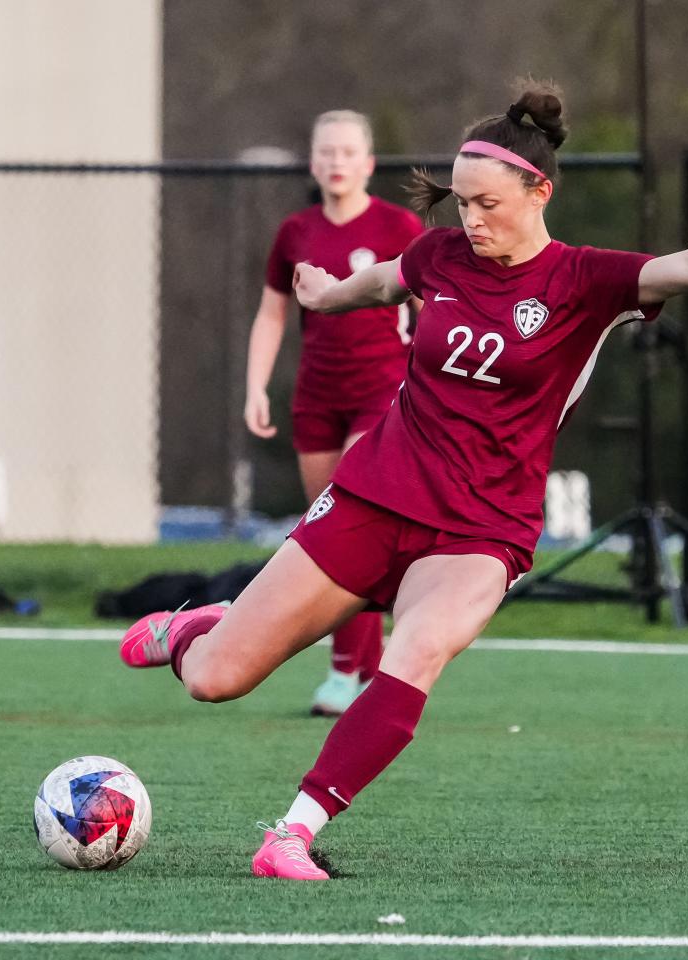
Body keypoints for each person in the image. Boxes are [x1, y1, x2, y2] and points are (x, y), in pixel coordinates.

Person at [120, 83, 688, 880]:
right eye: (460, 203)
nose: (471, 220)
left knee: (416, 652)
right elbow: (386, 280)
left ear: (539, 192)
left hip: (481, 528)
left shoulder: (586, 280)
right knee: (217, 680)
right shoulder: (443, 255)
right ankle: (196, 629)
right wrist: (323, 294)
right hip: (375, 493)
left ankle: (291, 833)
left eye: (487, 203)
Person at [243, 110, 424, 715]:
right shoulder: (295, 231)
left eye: (348, 151)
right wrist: (256, 386)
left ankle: (346, 674)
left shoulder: (398, 225)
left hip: (383, 393)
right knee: (330, 531)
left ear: (368, 163)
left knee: (352, 510)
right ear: (313, 162)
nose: (337, 161)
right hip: (317, 397)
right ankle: (363, 667)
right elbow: (273, 314)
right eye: (326, 152)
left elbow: (433, 306)